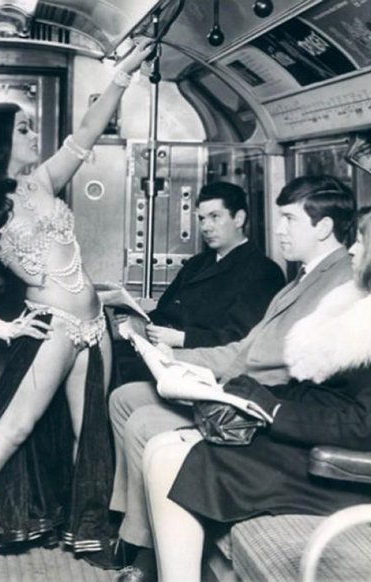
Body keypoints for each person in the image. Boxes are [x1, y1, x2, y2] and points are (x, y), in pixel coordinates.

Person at [0, 39, 154, 575]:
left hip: (91, 324)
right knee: (12, 429)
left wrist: (123, 74)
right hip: (51, 327)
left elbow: (86, 132)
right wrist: (3, 328)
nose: (35, 136)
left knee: (91, 431)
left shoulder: (44, 181)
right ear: (1, 141)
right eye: (25, 129)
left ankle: (87, 529)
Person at [143, 195, 371, 582]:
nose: (353, 248)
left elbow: (365, 428)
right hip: (323, 444)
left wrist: (272, 412)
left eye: (362, 241)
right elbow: (325, 395)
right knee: (162, 447)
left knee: (172, 460)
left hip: (353, 473)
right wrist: (248, 396)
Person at [109, 175, 356, 578]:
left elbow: (262, 360)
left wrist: (184, 360)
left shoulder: (336, 282)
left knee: (144, 422)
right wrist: (175, 357)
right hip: (244, 380)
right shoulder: (306, 277)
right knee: (127, 399)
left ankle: (146, 552)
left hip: (264, 397)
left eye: (289, 219)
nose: (278, 229)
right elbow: (248, 349)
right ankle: (135, 533)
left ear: (324, 227)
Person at [116, 181, 284, 382]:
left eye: (215, 217)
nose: (206, 227)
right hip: (164, 353)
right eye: (202, 219)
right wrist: (137, 322)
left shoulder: (263, 272)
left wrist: (181, 338)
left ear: (239, 219)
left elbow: (241, 340)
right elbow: (166, 310)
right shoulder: (198, 263)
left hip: (205, 371)